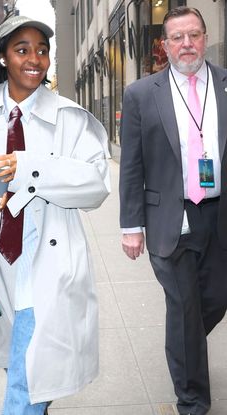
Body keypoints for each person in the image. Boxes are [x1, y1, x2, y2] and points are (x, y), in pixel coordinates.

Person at [0, 15, 110, 415]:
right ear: (3, 58)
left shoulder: (70, 117)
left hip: (47, 269)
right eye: (23, 50)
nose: (35, 58)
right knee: (25, 370)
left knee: (25, 387)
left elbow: (96, 185)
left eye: (42, 50)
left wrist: (30, 168)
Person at [119, 7, 227, 415]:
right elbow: (131, 164)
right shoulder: (141, 94)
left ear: (205, 36)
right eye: (177, 37)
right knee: (183, 307)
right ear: (165, 45)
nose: (187, 44)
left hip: (219, 216)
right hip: (171, 219)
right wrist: (131, 226)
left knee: (214, 300)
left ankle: (185, 348)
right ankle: (193, 403)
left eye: (194, 35)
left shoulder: (225, 84)